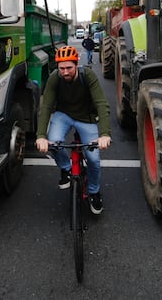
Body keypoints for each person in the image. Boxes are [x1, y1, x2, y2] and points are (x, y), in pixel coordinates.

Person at [36, 45, 112, 214]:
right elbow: (46, 107)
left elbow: (101, 104)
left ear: (77, 64)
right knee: (53, 143)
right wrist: (41, 136)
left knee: (93, 158)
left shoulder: (88, 75)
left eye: (69, 68)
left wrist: (105, 134)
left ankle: (94, 192)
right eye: (61, 68)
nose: (65, 72)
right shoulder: (55, 78)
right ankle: (66, 168)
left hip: (86, 117)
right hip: (63, 115)